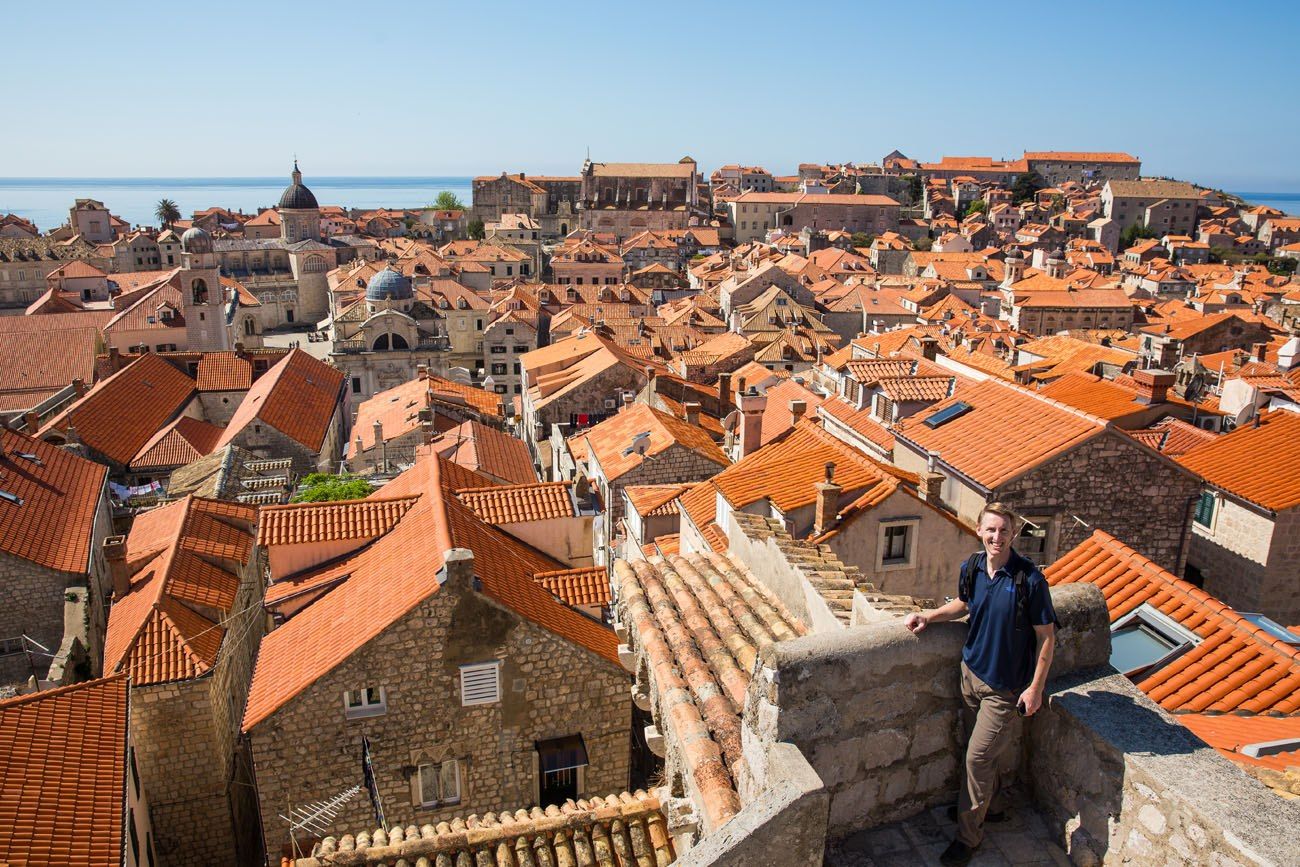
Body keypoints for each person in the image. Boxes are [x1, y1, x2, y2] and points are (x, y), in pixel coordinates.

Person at [904, 502, 1057, 866]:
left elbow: (1047, 637)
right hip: (971, 674)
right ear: (979, 530)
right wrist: (930, 616)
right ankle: (995, 806)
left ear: (1014, 535)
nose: (997, 537)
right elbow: (963, 604)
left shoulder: (1029, 580)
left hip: (1004, 689)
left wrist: (1034, 689)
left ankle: (968, 836)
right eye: (991, 530)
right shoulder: (972, 567)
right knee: (979, 753)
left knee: (976, 758)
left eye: (1004, 531)